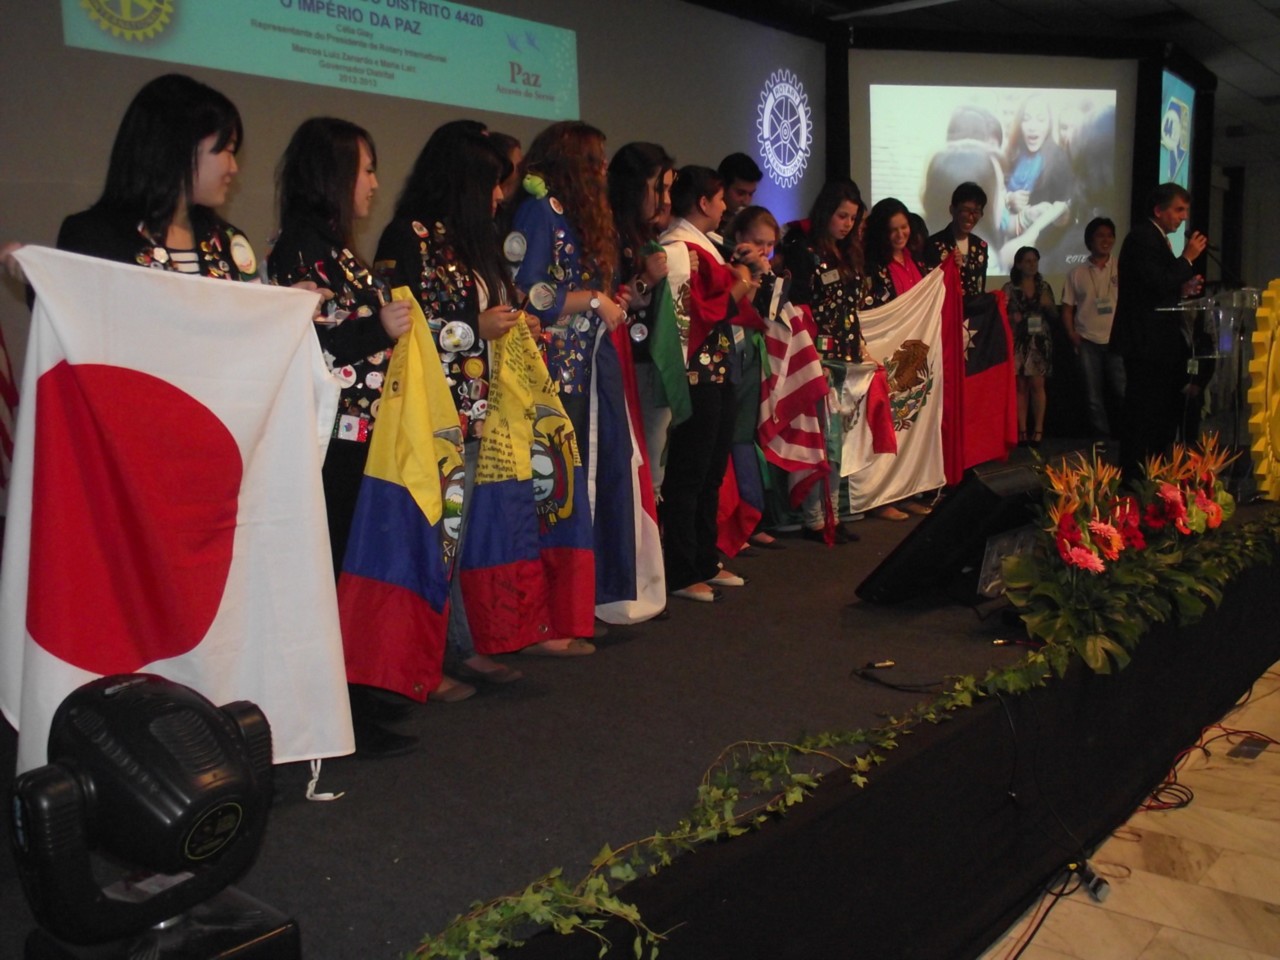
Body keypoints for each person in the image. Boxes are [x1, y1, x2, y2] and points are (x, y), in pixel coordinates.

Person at [375, 122, 562, 666]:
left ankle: (458, 646)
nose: (499, 195)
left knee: (457, 535)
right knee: (434, 532)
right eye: (491, 184)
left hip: (476, 409)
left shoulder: (465, 241)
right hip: (430, 413)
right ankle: (430, 656)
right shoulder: (407, 238)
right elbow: (401, 326)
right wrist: (475, 327)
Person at [267, 117, 422, 755]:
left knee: (347, 568)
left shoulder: (334, 247)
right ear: (333, 174)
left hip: (359, 435)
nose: (374, 183)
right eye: (366, 169)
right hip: (331, 439)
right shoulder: (300, 248)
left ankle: (348, 693)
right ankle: (325, 708)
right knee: (328, 569)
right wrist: (379, 328)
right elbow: (311, 344)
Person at [507, 120, 625, 641]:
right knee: (553, 493)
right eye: (595, 159)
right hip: (550, 374)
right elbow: (527, 291)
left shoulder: (575, 215)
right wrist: (593, 300)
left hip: (582, 371)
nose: (603, 169)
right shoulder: (539, 211)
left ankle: (574, 607)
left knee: (576, 490)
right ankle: (548, 616)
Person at [659, 166, 764, 600]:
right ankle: (682, 568)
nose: (725, 207)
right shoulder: (679, 247)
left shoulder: (709, 246)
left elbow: (733, 303)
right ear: (703, 202)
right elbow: (700, 313)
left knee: (710, 472)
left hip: (717, 368)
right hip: (694, 372)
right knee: (689, 473)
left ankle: (705, 557)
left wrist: (749, 275)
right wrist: (740, 283)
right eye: (721, 199)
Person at [56, 73, 258, 280]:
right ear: (182, 148)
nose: (234, 168)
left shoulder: (228, 242)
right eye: (228, 149)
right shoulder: (92, 236)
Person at [780, 178, 867, 543]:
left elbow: (851, 307)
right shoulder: (804, 250)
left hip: (845, 358)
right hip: (815, 356)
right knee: (819, 442)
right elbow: (796, 305)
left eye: (852, 218)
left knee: (837, 443)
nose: (847, 224)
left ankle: (833, 514)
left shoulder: (848, 253)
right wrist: (809, 353)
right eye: (841, 216)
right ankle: (815, 518)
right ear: (825, 212)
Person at [1110, 183, 1208, 478]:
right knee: (1142, 413)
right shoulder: (1142, 237)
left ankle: (1153, 472)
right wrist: (1187, 258)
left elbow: (1158, 286)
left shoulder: (1158, 239)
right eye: (1178, 210)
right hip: (1144, 342)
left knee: (1158, 413)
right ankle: (1135, 475)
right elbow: (1155, 281)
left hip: (1158, 343)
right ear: (1158, 210)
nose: (1183, 217)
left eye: (1185, 211)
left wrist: (1182, 289)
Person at [859, 197, 933, 521]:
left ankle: (908, 491)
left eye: (904, 227)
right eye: (893, 230)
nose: (900, 234)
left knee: (911, 428)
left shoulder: (916, 261)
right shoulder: (873, 268)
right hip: (888, 356)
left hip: (916, 357)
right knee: (888, 427)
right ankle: (883, 497)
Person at [1061, 217, 1124, 439]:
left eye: (1110, 235)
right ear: (1090, 240)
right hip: (1087, 340)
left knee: (1122, 390)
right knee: (1092, 395)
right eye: (1100, 235)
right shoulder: (1076, 273)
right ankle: (1101, 438)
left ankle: (1126, 435)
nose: (1106, 240)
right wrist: (1071, 334)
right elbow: (1067, 308)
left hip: (1116, 339)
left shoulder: (1121, 267)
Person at [1003, 246, 1059, 448]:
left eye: (1035, 260)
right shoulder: (1009, 288)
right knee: (1020, 386)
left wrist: (1048, 305)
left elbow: (1055, 316)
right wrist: (1011, 317)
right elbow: (1001, 315)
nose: (1032, 264)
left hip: (1039, 341)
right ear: (1018, 264)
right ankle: (1022, 431)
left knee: (1037, 385)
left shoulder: (1044, 287)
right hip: (1018, 340)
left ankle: (1038, 430)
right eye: (1027, 261)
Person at [1000, 94, 1073, 243]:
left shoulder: (1058, 159)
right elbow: (995, 197)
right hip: (1005, 237)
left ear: (1049, 124)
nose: (1032, 127)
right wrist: (1009, 199)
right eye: (1026, 119)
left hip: (1040, 245)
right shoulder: (1011, 152)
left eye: (1040, 119)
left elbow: (1064, 212)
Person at [927, 181, 989, 296]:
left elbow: (980, 286)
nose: (970, 217)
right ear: (952, 209)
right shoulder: (934, 244)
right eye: (965, 210)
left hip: (975, 306)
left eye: (976, 212)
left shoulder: (981, 246)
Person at [716, 152, 763, 238]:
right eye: (740, 193)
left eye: (751, 194)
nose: (746, 202)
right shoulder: (706, 223)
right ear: (722, 187)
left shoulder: (749, 226)